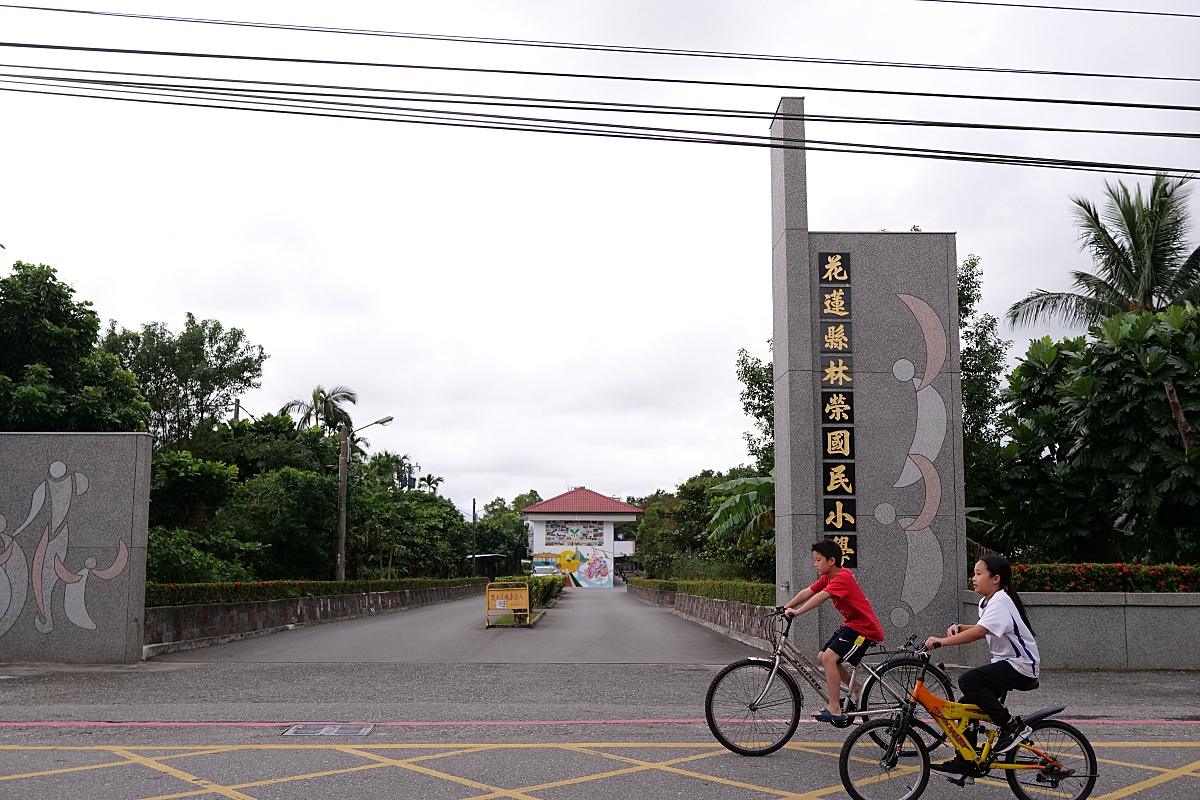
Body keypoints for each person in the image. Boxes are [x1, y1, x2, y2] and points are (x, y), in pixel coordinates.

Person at [924, 555, 1040, 769]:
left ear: (995, 578)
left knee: (968, 680)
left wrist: (942, 642)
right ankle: (965, 761)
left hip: (1021, 665)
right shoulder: (987, 601)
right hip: (1006, 663)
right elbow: (984, 627)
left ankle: (1011, 726)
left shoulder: (1000, 601)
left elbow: (980, 632)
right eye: (974, 573)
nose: (974, 578)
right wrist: (960, 628)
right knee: (966, 705)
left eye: (979, 574)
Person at [782, 539, 885, 723]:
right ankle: (857, 689)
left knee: (830, 658)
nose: (815, 564)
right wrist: (784, 607)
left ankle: (835, 707)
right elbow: (808, 591)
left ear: (831, 561)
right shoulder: (828, 577)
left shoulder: (842, 577)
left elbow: (821, 597)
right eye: (814, 560)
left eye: (818, 560)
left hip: (864, 629)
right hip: (851, 625)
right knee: (823, 656)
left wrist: (796, 613)